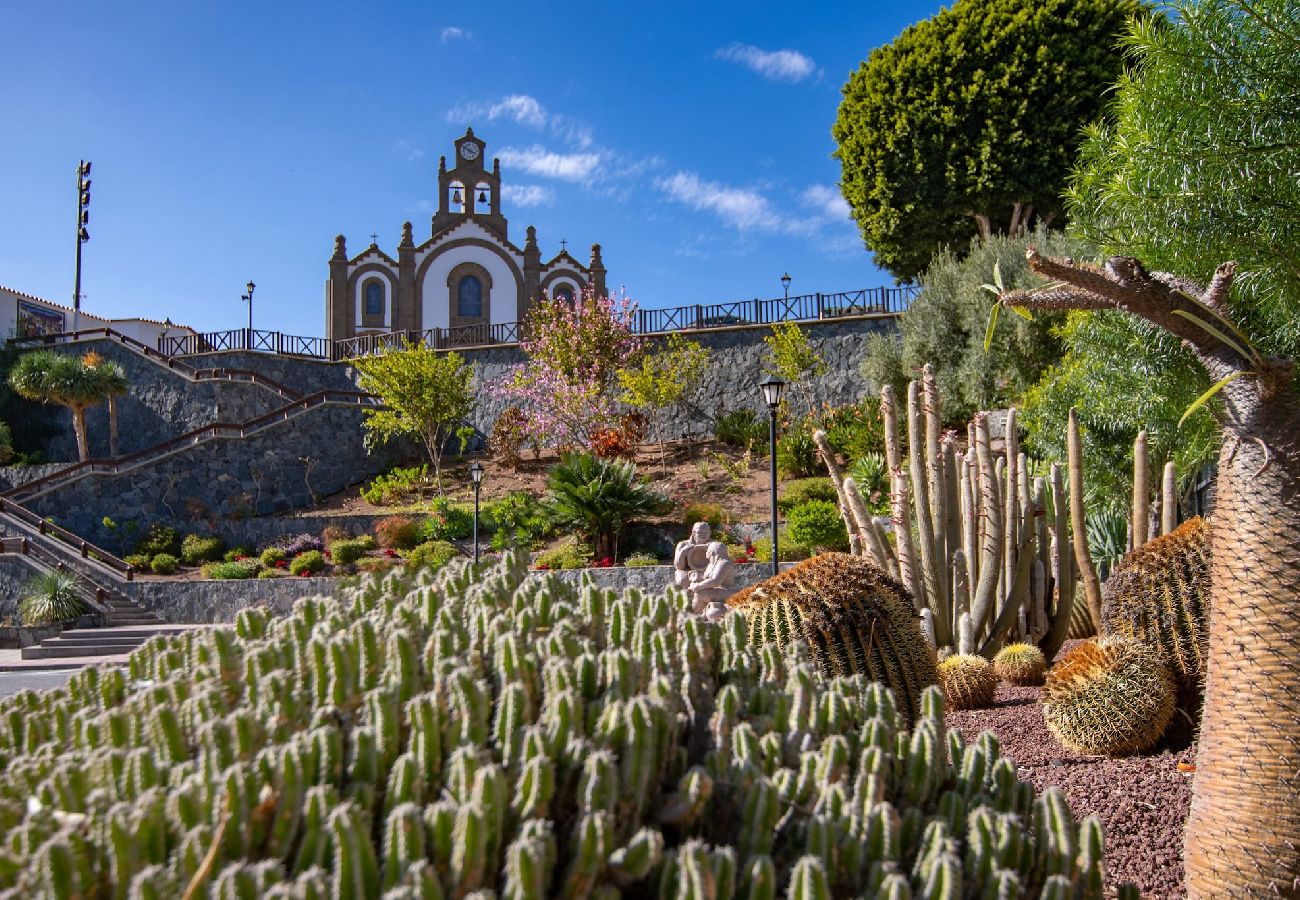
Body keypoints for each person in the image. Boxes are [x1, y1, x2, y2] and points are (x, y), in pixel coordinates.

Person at [688, 541, 736, 617]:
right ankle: (700, 614)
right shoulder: (712, 563)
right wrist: (697, 577)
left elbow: (715, 581)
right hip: (717, 590)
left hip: (727, 590)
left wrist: (698, 586)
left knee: (700, 594)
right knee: (698, 592)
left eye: (708, 552)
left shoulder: (724, 563)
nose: (707, 556)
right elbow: (706, 578)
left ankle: (695, 616)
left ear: (713, 552)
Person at [673, 521, 712, 589]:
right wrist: (684, 551)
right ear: (693, 533)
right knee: (682, 579)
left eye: (706, 532)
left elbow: (720, 563)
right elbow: (679, 566)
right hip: (689, 573)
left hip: (707, 572)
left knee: (716, 578)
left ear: (710, 533)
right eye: (700, 532)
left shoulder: (715, 545)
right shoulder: (683, 544)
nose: (704, 534)